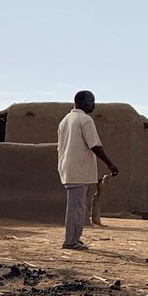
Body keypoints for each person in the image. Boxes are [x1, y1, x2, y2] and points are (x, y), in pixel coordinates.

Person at [57, 90, 118, 250]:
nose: (94, 104)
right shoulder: (85, 120)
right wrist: (110, 164)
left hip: (69, 168)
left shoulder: (65, 120)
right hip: (78, 169)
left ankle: (75, 238)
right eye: (91, 101)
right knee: (76, 207)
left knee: (78, 206)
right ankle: (70, 240)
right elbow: (95, 145)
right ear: (80, 102)